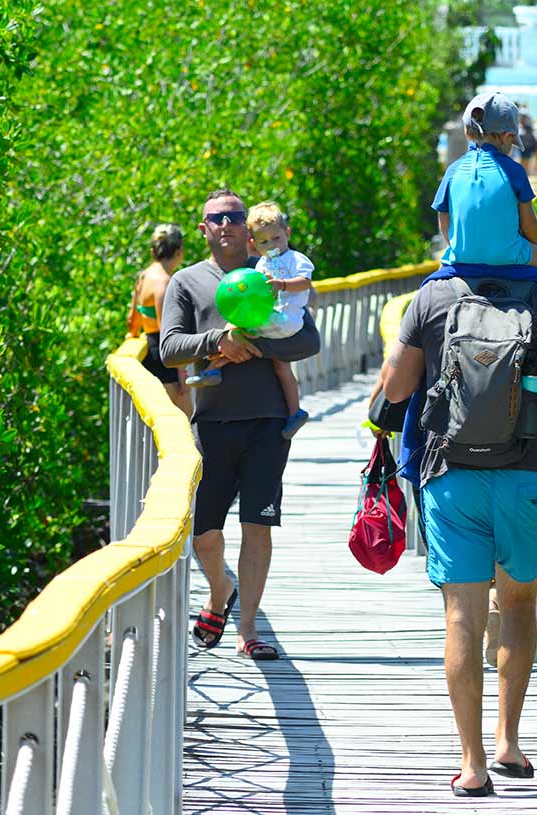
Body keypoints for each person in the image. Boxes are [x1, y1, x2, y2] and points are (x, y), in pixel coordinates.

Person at [380, 279, 537, 796]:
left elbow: (393, 389)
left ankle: (472, 764)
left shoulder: (433, 297)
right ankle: (509, 743)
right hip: (527, 474)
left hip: (453, 478)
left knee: (461, 616)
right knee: (518, 605)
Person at [159, 188, 321, 660]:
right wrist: (218, 342)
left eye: (235, 217)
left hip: (268, 421)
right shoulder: (186, 283)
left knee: (258, 524)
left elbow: (308, 340)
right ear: (203, 228)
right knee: (204, 531)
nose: (227, 224)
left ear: (248, 229)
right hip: (211, 420)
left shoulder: (271, 272)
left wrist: (255, 346)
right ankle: (219, 590)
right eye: (217, 218)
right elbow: (169, 349)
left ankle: (247, 630)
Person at [433, 92, 537, 278]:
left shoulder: (453, 170)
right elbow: (529, 223)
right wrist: (531, 247)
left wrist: (457, 247)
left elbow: (443, 218)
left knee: (426, 294)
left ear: (467, 132)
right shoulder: (514, 171)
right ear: (507, 136)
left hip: (462, 258)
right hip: (509, 255)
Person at [246, 201, 313, 440]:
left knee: (242, 335)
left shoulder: (296, 259)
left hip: (288, 320)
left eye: (276, 238)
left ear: (287, 233)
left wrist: (281, 284)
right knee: (280, 365)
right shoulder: (262, 264)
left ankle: (216, 365)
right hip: (275, 320)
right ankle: (295, 412)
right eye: (264, 242)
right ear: (254, 244)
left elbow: (305, 282)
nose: (271, 246)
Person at [127, 224, 193, 419]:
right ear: (179, 251)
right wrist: (181, 372)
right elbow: (168, 332)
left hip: (149, 352)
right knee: (186, 421)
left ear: (153, 251)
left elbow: (132, 320)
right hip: (166, 360)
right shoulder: (164, 282)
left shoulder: (143, 276)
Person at [518, 113, 537, 178]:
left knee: (526, 163)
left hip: (528, 147)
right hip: (523, 148)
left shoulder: (528, 128)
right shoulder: (519, 128)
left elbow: (532, 137)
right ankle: (525, 175)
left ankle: (526, 176)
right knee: (523, 163)